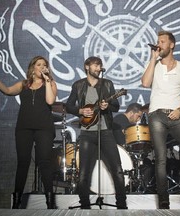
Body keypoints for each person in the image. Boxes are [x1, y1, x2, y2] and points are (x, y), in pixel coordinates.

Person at [0, 56, 57, 209]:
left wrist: (48, 80)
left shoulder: (50, 83)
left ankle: (50, 203)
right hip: (24, 128)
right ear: (32, 68)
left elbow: (50, 101)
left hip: (44, 128)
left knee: (44, 162)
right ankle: (16, 203)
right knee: (23, 163)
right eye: (39, 64)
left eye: (45, 65)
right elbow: (9, 91)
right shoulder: (24, 84)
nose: (42, 67)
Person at [141, 30, 180, 209]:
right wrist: (153, 58)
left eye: (163, 41)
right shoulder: (155, 65)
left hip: (175, 114)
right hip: (156, 115)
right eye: (158, 41)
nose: (159, 44)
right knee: (160, 158)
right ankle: (164, 201)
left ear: (172, 45)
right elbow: (145, 83)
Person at [66, 56, 127, 209]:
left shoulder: (107, 84)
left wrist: (108, 106)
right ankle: (85, 206)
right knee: (83, 173)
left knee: (117, 169)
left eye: (100, 65)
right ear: (87, 67)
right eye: (95, 65)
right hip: (87, 133)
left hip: (106, 131)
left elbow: (116, 107)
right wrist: (80, 110)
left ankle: (122, 205)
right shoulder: (78, 85)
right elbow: (68, 106)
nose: (98, 68)